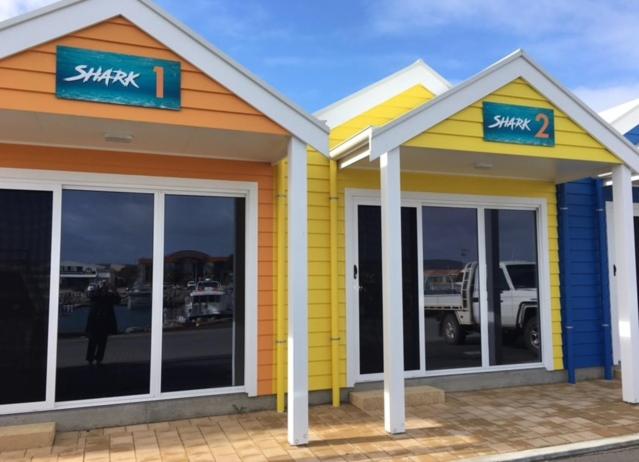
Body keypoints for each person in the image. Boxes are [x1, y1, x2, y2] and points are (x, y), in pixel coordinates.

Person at [85, 282, 119, 366]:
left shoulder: (109, 296)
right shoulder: (96, 295)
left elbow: (118, 300)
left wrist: (114, 290)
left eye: (105, 287)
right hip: (95, 322)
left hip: (103, 322)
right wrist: (97, 288)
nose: (104, 289)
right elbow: (89, 294)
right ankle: (91, 359)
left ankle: (98, 359)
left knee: (102, 343)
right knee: (93, 342)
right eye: (103, 287)